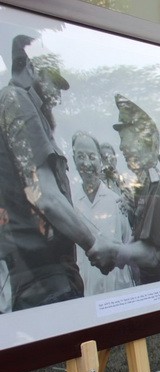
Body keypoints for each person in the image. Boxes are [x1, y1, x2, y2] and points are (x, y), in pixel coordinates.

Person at [0, 35, 111, 310]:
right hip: (47, 281)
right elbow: (47, 197)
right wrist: (95, 244)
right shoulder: (18, 100)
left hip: (37, 280)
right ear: (30, 68)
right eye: (53, 82)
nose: (58, 96)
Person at [88, 94, 160, 283]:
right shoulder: (143, 187)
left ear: (139, 139)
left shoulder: (156, 185)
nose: (120, 147)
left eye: (124, 139)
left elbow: (150, 254)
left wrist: (114, 250)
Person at [71, 131, 134, 295]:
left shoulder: (117, 202)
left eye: (92, 157)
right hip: (87, 294)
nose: (86, 163)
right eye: (81, 156)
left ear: (100, 159)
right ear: (73, 159)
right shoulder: (70, 204)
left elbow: (130, 246)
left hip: (119, 292)